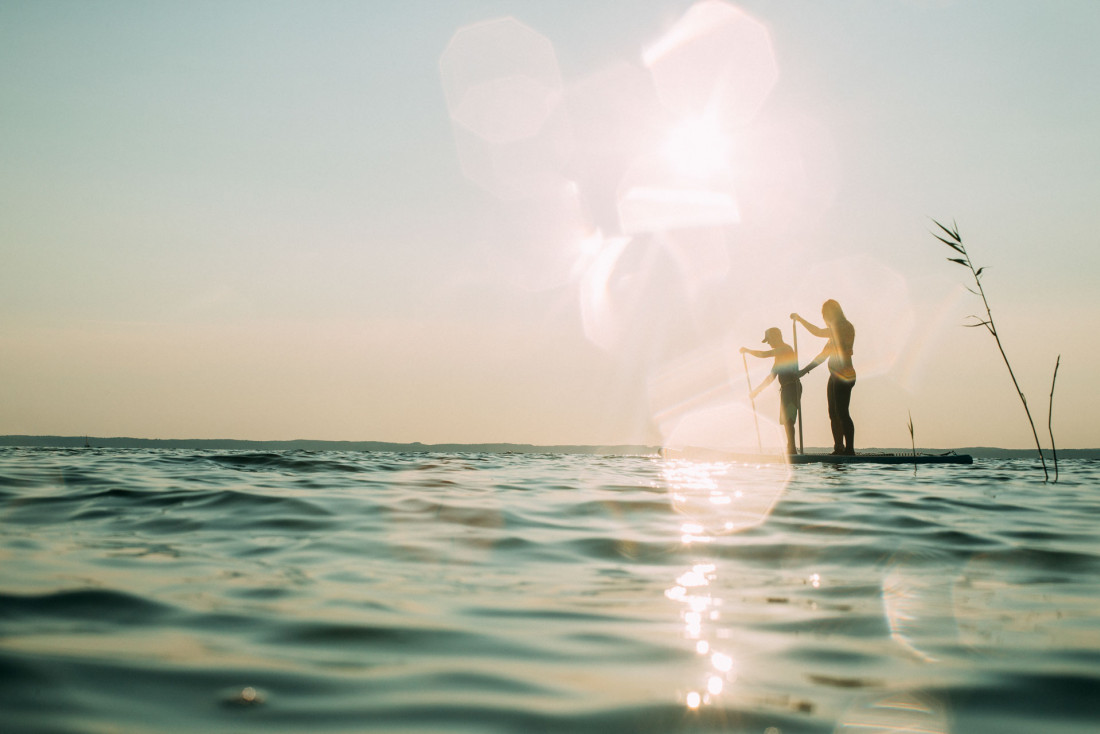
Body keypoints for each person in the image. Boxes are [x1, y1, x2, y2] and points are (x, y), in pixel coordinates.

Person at [791, 300, 856, 455]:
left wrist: (800, 320)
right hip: (833, 375)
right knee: (832, 413)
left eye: (826, 314)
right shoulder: (832, 336)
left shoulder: (845, 327)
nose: (825, 318)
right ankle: (838, 447)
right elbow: (822, 356)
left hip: (845, 374)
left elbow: (818, 332)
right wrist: (804, 371)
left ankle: (850, 449)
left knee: (842, 412)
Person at [741, 327, 802, 455]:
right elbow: (771, 377)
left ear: (776, 337)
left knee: (789, 420)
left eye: (769, 340)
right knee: (785, 420)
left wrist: (748, 350)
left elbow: (764, 354)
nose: (769, 343)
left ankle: (792, 449)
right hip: (786, 388)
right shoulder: (779, 358)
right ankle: (790, 447)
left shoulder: (786, 349)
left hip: (792, 387)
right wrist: (757, 391)